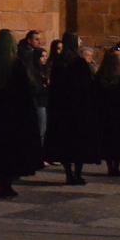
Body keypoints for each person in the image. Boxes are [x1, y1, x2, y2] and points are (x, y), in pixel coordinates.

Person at [0, 29, 43, 198]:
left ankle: (4, 183)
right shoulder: (16, 65)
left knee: (0, 151)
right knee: (10, 152)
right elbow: (25, 92)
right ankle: (6, 185)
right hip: (13, 117)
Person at [44, 32, 99, 185]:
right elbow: (87, 86)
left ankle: (69, 174)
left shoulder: (58, 62)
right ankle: (77, 174)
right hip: (78, 110)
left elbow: (54, 87)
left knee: (65, 144)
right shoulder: (79, 63)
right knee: (78, 143)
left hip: (62, 110)